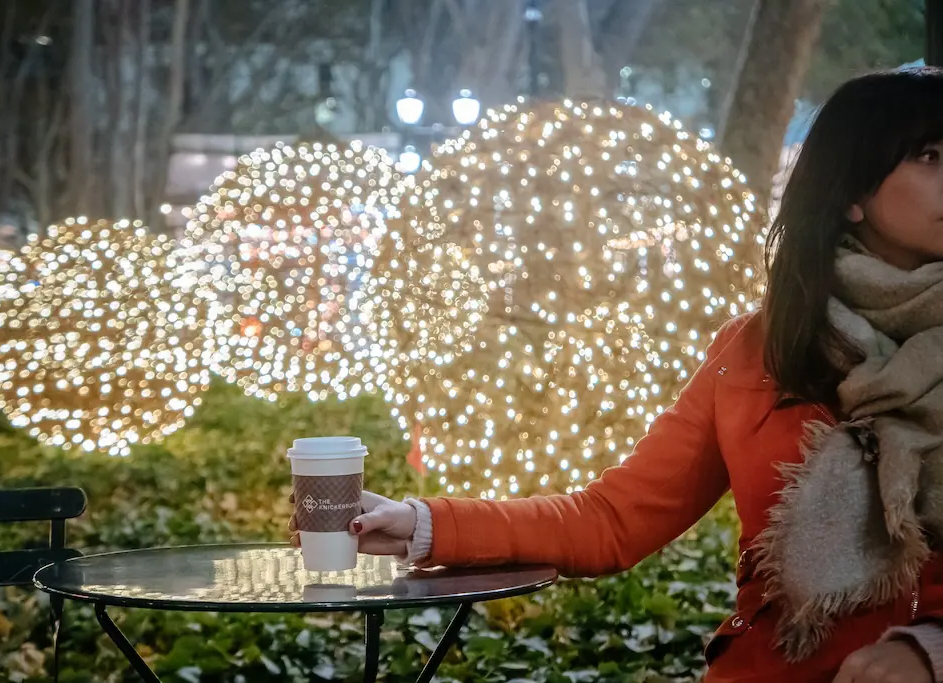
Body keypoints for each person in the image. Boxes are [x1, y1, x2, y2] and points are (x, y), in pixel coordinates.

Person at [290, 68, 943, 683]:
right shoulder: (756, 349)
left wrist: (930, 645)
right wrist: (419, 521)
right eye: (931, 156)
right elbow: (611, 520)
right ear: (852, 192)